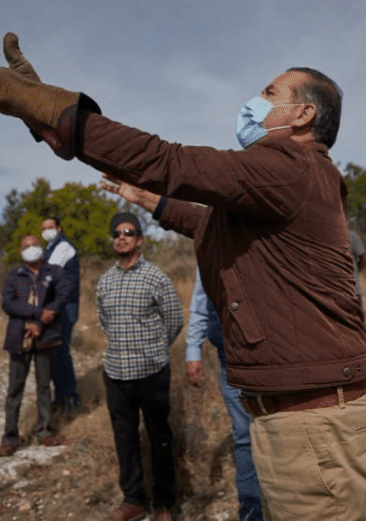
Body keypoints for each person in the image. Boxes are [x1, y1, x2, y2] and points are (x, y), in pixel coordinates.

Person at [0, 34, 366, 520]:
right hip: (297, 421)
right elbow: (204, 221)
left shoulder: (291, 165)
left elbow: (169, 161)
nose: (254, 102)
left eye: (269, 93)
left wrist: (55, 110)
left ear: (303, 115)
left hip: (317, 425)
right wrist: (149, 199)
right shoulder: (282, 184)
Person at [94, 212, 183, 521]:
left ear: (140, 240)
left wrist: (155, 350)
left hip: (152, 373)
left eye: (129, 232)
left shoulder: (156, 277)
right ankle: (133, 499)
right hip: (117, 374)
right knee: (125, 438)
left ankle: (164, 503)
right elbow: (105, 323)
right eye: (117, 232)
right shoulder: (105, 281)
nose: (122, 236)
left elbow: (174, 320)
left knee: (159, 437)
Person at [185, 269, 262, 521]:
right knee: (243, 437)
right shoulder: (209, 243)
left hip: (272, 359)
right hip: (230, 360)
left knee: (282, 433)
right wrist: (193, 351)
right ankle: (251, 512)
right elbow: (200, 302)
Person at [0, 234, 70, 455]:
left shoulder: (55, 272)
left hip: (46, 337)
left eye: (33, 245)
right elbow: (9, 305)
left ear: (40, 247)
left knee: (43, 386)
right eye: (25, 246)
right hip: (20, 338)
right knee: (15, 389)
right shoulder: (14, 276)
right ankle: (10, 437)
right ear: (21, 252)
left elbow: (62, 296)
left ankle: (44, 431)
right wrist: (39, 313)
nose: (30, 249)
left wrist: (40, 323)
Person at [42, 215, 82, 412]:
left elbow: (49, 274)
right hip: (58, 304)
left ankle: (69, 398)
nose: (47, 231)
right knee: (56, 351)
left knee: (61, 350)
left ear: (59, 227)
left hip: (66, 305)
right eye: (44, 228)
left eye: (50, 227)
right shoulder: (50, 248)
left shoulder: (63, 247)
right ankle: (61, 396)